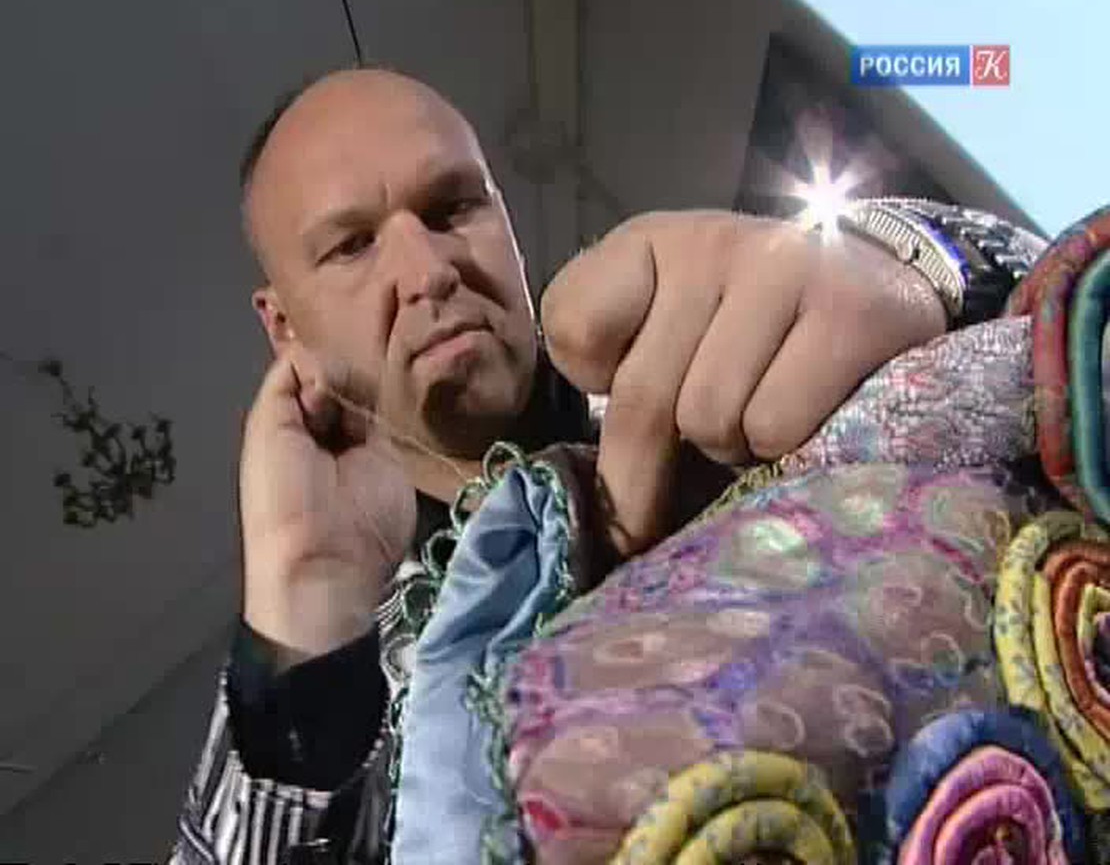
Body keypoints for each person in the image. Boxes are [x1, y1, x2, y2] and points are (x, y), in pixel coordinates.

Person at [169, 67, 1030, 865]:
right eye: (353, 246)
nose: (428, 271)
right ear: (284, 326)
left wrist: (919, 269)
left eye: (453, 207)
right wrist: (306, 626)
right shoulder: (326, 685)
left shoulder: (713, 350)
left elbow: (1055, 339)